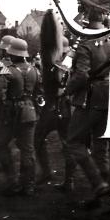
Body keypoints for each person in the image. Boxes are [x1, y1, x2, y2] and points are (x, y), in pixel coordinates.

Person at [66, 13, 110, 204]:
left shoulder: (85, 45)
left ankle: (97, 183)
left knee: (73, 141)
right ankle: (105, 190)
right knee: (100, 146)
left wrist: (67, 90)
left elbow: (81, 76)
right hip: (107, 97)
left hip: (89, 98)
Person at [0, 38, 41, 196]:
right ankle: (29, 185)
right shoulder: (35, 70)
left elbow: (0, 95)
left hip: (11, 114)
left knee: (0, 144)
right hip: (30, 112)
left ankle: (12, 180)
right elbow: (38, 94)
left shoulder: (7, 71)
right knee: (28, 150)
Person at [35, 37, 75, 189]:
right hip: (64, 108)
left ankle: (49, 173)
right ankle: (68, 180)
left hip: (56, 107)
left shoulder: (63, 64)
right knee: (66, 143)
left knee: (38, 139)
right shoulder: (69, 62)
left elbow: (59, 86)